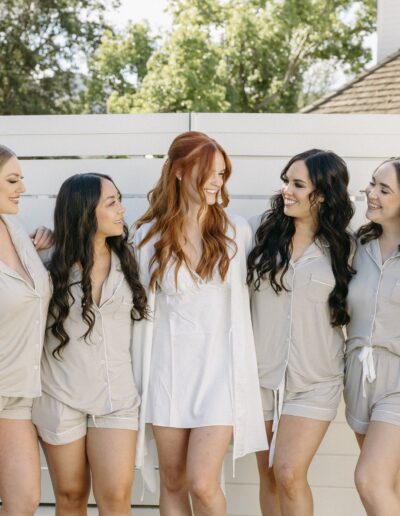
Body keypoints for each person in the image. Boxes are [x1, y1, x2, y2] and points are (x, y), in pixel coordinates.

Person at [132, 131, 267, 516]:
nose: (216, 182)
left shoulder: (235, 231)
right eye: (207, 172)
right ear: (177, 171)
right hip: (168, 373)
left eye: (222, 173)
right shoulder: (147, 236)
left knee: (202, 484)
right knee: (172, 481)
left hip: (219, 377)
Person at [32, 173, 148, 515]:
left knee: (115, 498)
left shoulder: (133, 259)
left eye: (119, 200)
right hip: (59, 396)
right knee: (69, 495)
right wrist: (32, 246)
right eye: (111, 203)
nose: (121, 210)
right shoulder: (46, 266)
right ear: (84, 212)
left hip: (116, 399)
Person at [248, 149, 354, 516]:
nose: (285, 191)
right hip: (260, 377)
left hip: (316, 379)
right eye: (285, 181)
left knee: (289, 472)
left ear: (322, 194)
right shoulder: (260, 238)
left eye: (297, 184)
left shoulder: (346, 247)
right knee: (269, 475)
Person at [344, 158, 400, 515]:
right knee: (389, 487)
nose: (371, 193)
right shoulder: (355, 248)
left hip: (398, 378)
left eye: (384, 189)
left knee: (370, 480)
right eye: (372, 184)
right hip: (359, 379)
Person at [0, 144, 52, 515]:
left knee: (24, 502)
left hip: (17, 394)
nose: (22, 188)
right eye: (12, 180)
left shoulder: (15, 228)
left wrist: (44, 249)